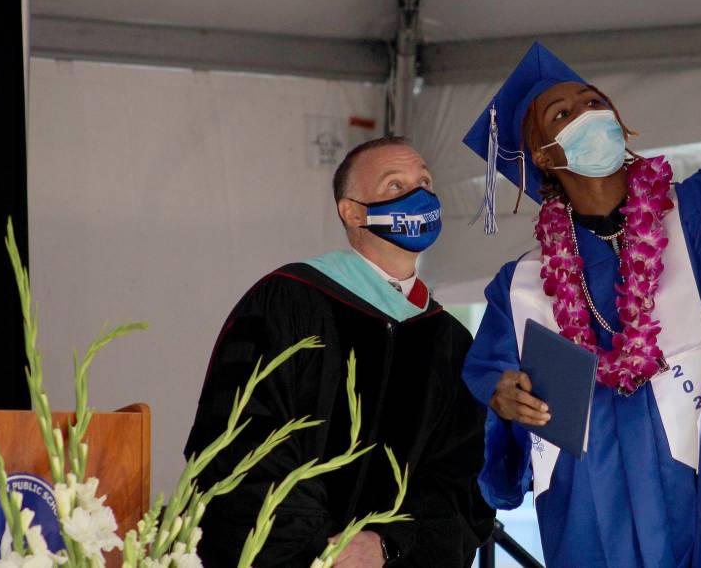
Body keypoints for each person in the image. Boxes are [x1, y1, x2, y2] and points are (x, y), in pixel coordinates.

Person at [461, 0, 701, 567]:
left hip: (695, 494)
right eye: (563, 114)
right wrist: (502, 398)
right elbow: (488, 392)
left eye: (594, 101)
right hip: (585, 512)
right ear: (543, 157)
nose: (587, 114)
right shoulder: (519, 286)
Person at [186, 137, 494, 567]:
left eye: (425, 182)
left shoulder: (449, 341)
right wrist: (323, 551)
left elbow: (459, 476)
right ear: (352, 212)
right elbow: (242, 438)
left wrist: (387, 545)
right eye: (395, 185)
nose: (419, 195)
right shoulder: (288, 301)